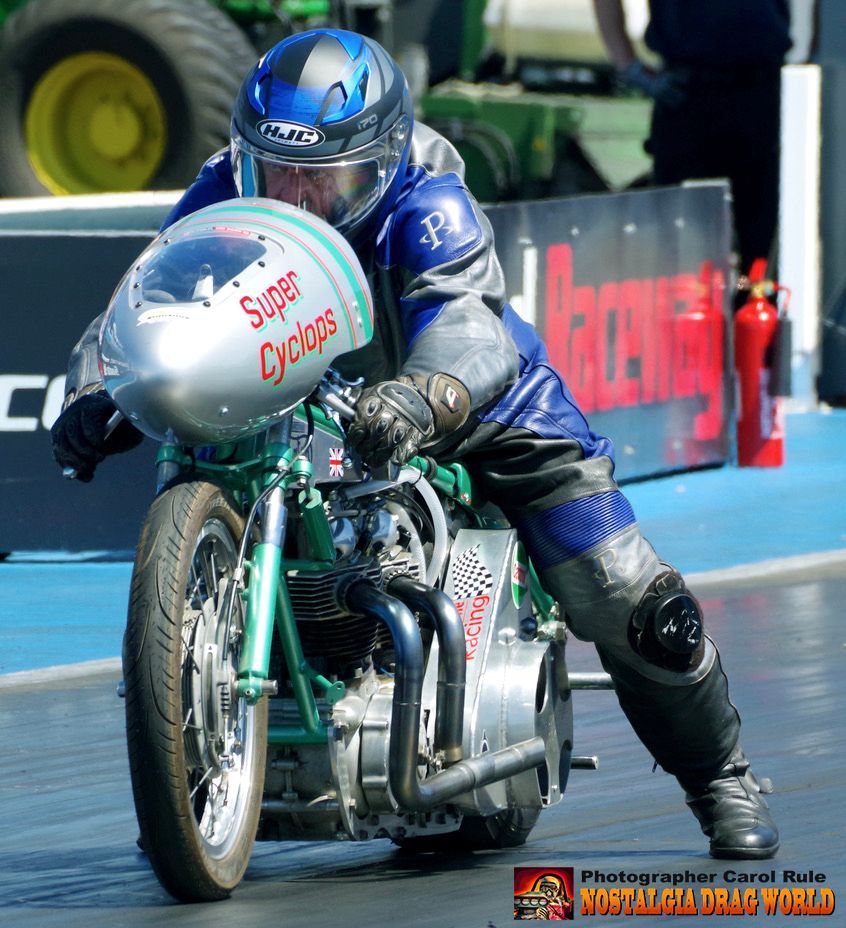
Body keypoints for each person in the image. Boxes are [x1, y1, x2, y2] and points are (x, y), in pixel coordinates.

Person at [51, 28, 778, 859]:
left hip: (461, 397)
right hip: (294, 404)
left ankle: (721, 777)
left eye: (322, 178)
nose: (295, 198)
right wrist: (95, 387)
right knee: (190, 471)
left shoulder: (425, 191)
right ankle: (190, 758)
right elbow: (147, 296)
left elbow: (472, 321)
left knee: (626, 591)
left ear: (378, 157)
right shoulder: (219, 193)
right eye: (276, 171)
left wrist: (421, 394)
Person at [592, 0, 791, 279]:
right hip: (688, 94)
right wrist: (631, 68)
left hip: (761, 93)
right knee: (682, 250)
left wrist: (817, 56)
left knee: (766, 246)